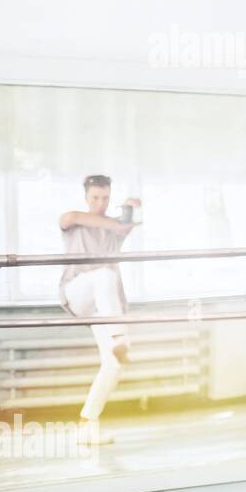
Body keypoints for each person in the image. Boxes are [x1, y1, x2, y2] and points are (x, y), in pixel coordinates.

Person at [59, 174, 141, 445]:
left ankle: (87, 425)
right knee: (105, 275)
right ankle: (120, 338)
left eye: (105, 198)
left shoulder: (115, 228)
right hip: (77, 293)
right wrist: (116, 224)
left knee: (113, 364)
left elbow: (128, 223)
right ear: (86, 197)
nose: (100, 202)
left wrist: (130, 208)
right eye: (95, 197)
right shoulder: (74, 219)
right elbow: (73, 218)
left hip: (102, 306)